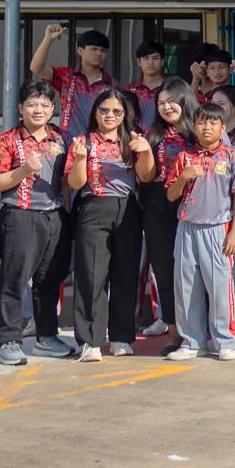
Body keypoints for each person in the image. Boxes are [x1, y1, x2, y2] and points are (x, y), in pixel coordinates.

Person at [65, 88, 155, 362]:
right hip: (94, 206)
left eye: (117, 111)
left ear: (124, 115)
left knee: (125, 274)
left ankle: (121, 336)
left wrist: (147, 151)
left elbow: (146, 177)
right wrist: (80, 160)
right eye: (104, 110)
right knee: (91, 275)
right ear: (95, 112)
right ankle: (90, 341)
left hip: (127, 208)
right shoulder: (82, 141)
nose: (110, 116)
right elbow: (75, 184)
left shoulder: (133, 140)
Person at [0, 79, 72, 366]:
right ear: (20, 107)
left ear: (52, 109)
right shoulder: (7, 140)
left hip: (55, 216)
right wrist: (24, 169)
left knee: (49, 281)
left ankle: (46, 336)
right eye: (32, 104)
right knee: (14, 280)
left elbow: (66, 180)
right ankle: (8, 341)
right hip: (19, 216)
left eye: (45, 105)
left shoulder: (61, 138)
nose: (39, 110)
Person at [163, 100, 235, 362]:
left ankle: (225, 339)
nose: (207, 127)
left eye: (213, 122)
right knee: (186, 286)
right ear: (194, 125)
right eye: (202, 122)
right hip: (187, 227)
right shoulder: (184, 157)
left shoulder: (231, 155)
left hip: (218, 228)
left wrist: (234, 231)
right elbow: (170, 195)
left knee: (220, 286)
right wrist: (183, 177)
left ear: (223, 126)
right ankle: (191, 341)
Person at [139, 80, 198, 345]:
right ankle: (174, 329)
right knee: (164, 268)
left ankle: (200, 327)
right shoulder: (151, 133)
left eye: (172, 100)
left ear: (185, 100)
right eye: (161, 102)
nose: (166, 106)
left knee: (197, 268)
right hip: (158, 207)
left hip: (197, 205)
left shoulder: (199, 130)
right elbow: (145, 177)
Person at [30, 23, 112, 137]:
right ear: (80, 51)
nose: (99, 53)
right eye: (94, 49)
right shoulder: (67, 76)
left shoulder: (112, 84)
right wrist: (48, 39)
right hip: (68, 143)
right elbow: (36, 68)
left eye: (103, 50)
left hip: (100, 147)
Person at [124, 39, 170, 122]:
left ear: (162, 61)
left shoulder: (171, 86)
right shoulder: (130, 89)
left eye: (155, 58)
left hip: (165, 134)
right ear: (139, 62)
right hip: (136, 134)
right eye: (146, 58)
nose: (150, 62)